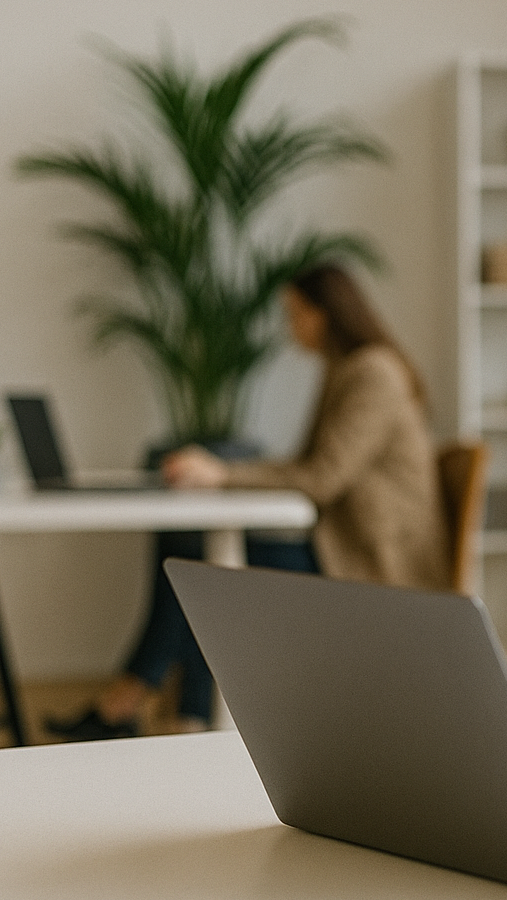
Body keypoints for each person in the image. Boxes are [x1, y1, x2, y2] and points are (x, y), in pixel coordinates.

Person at [48, 264, 448, 741]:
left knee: (197, 558)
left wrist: (221, 473)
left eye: (294, 313)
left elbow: (320, 477)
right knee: (191, 550)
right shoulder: (346, 370)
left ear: (324, 314)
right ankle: (170, 710)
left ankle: (151, 705)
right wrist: (222, 475)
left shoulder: (372, 373)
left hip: (370, 562)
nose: (289, 326)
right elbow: (312, 467)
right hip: (342, 544)